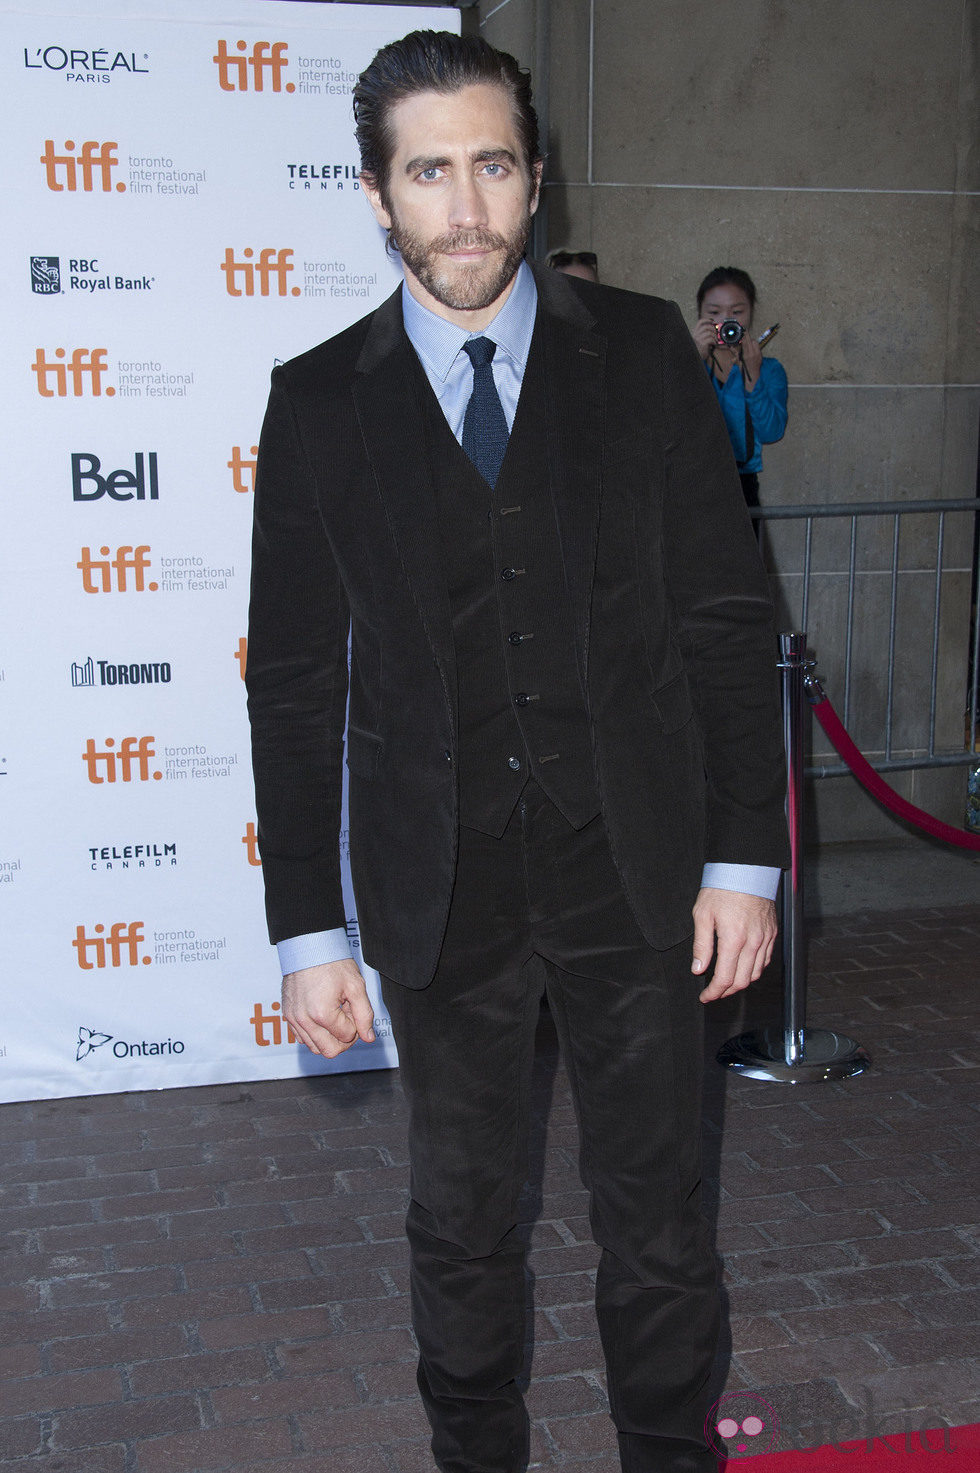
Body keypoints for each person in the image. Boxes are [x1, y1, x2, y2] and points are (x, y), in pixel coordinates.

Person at [246, 30, 789, 1473]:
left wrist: (746, 857)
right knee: (464, 1220)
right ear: (378, 194)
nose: (466, 203)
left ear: (534, 178)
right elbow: (293, 685)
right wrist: (308, 926)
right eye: (431, 171)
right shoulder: (314, 403)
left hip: (646, 874)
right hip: (444, 892)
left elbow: (729, 622)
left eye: (493, 164)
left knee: (661, 1216)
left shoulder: (647, 356)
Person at [692, 266, 788, 513]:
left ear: (751, 314)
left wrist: (753, 376)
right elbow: (667, 418)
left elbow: (772, 432)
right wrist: (691, 360)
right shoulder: (687, 363)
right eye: (714, 312)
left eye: (737, 312)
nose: (725, 322)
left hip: (742, 483)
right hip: (690, 479)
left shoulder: (769, 369)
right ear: (700, 315)